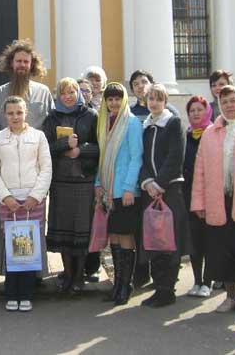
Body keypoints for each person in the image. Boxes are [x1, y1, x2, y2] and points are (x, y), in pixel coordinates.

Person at [191, 85, 235, 316]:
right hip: (218, 199)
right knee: (222, 250)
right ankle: (230, 296)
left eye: (233, 100)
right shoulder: (211, 132)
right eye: (225, 102)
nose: (230, 105)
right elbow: (199, 170)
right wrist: (198, 203)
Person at [0, 96, 52, 312]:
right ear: (5, 115)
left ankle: (26, 292)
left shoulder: (38, 137)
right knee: (11, 247)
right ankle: (11, 292)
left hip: (32, 200)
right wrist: (5, 197)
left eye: (19, 112)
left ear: (26, 113)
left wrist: (36, 195)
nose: (15, 117)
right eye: (10, 113)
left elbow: (46, 168)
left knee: (28, 247)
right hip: (9, 199)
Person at [43, 78, 99, 294]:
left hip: (83, 181)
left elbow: (99, 146)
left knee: (81, 231)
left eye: (72, 92)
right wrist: (64, 145)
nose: (68, 96)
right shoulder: (52, 117)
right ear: (58, 95)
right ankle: (67, 273)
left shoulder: (90, 115)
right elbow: (45, 147)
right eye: (64, 92)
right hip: (60, 181)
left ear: (79, 94)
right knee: (64, 232)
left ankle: (78, 277)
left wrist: (80, 151)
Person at [138, 84, 192, 308]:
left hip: (169, 190)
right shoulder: (146, 125)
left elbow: (175, 156)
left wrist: (159, 183)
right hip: (150, 190)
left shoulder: (173, 122)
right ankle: (159, 286)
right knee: (154, 240)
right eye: (151, 98)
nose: (154, 103)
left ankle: (167, 289)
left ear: (165, 100)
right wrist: (148, 182)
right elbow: (142, 157)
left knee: (169, 242)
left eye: (158, 99)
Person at [94, 83, 143, 306]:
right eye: (109, 99)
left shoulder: (131, 122)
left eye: (117, 98)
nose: (113, 103)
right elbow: (102, 157)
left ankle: (127, 285)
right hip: (107, 190)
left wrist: (128, 188)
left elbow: (136, 157)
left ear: (123, 100)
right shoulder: (104, 123)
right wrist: (97, 184)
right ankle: (117, 284)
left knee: (125, 236)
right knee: (113, 236)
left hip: (124, 190)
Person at [0, 39, 54, 132]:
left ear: (32, 65)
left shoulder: (43, 92)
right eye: (18, 61)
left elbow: (52, 124)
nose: (22, 64)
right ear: (11, 63)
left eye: (26, 62)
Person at [183, 96, 213, 298]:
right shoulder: (187, 135)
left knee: (208, 240)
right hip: (188, 194)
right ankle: (197, 280)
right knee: (194, 240)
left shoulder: (213, 133)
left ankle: (208, 282)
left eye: (199, 110)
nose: (195, 113)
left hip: (209, 195)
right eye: (192, 110)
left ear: (207, 111)